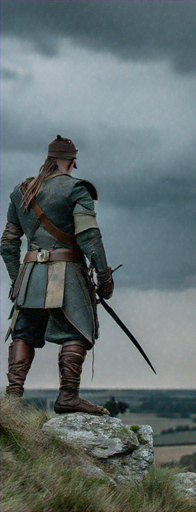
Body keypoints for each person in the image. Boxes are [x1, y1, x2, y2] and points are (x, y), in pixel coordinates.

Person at [1, 135, 114, 415]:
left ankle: (12, 400)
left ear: (49, 159)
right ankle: (68, 396)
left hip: (29, 279)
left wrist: (17, 280)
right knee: (77, 332)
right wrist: (104, 277)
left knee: (24, 334)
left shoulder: (21, 191)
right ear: (72, 161)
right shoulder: (77, 190)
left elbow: (7, 243)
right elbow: (89, 237)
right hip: (66, 277)